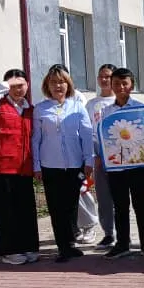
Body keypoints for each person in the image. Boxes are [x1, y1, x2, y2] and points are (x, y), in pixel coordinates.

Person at [31, 64, 94, 263]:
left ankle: (70, 243)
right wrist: (36, 165)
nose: (58, 86)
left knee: (72, 205)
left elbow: (86, 135)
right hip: (50, 165)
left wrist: (89, 160)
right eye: (54, 82)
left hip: (75, 165)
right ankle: (63, 246)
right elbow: (36, 139)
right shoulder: (40, 109)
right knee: (56, 207)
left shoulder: (77, 107)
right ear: (47, 85)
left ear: (68, 85)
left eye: (62, 82)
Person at [0, 69, 39, 266]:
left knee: (26, 209)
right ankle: (9, 250)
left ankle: (28, 246)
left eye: (21, 85)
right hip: (1, 168)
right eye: (13, 86)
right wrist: (6, 84)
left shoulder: (30, 109)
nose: (18, 89)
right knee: (5, 210)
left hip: (24, 167)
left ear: (27, 86)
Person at [101, 68, 144, 259]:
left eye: (125, 83)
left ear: (132, 85)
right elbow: (102, 136)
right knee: (120, 205)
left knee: (141, 204)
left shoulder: (140, 107)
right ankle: (122, 243)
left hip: (137, 164)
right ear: (111, 85)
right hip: (116, 166)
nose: (121, 87)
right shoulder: (106, 111)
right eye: (116, 83)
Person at [85, 64, 117, 248]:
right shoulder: (91, 104)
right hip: (99, 156)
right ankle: (109, 233)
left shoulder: (120, 102)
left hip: (121, 157)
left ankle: (123, 234)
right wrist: (92, 156)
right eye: (102, 76)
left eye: (109, 76)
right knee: (103, 197)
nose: (105, 80)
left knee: (120, 197)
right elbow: (86, 132)